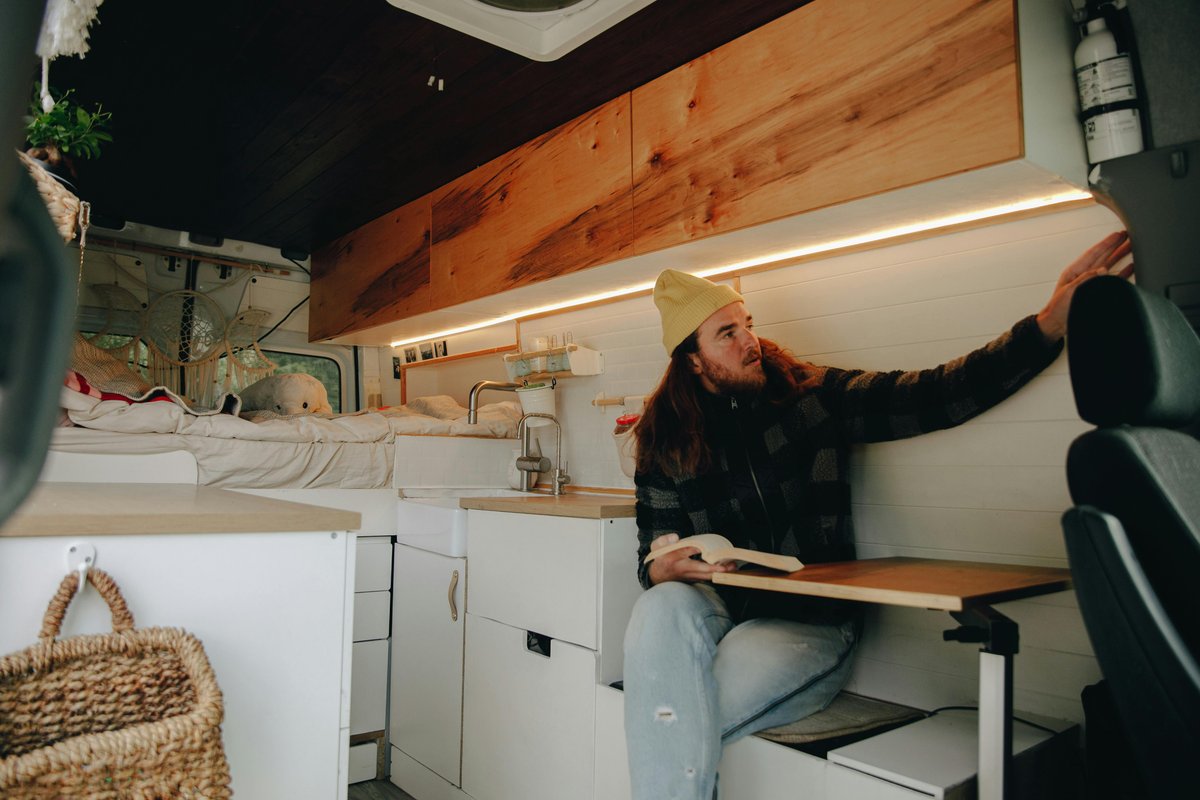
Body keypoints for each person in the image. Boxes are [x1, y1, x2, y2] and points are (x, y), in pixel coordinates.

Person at [622, 231, 1133, 800]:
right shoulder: (664, 438)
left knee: (667, 716)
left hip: (807, 624)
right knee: (660, 603)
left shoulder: (809, 396)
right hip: (722, 616)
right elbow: (653, 545)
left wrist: (1044, 329)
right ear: (692, 362)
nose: (751, 341)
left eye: (748, 323)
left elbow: (931, 394)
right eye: (727, 333)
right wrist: (661, 568)